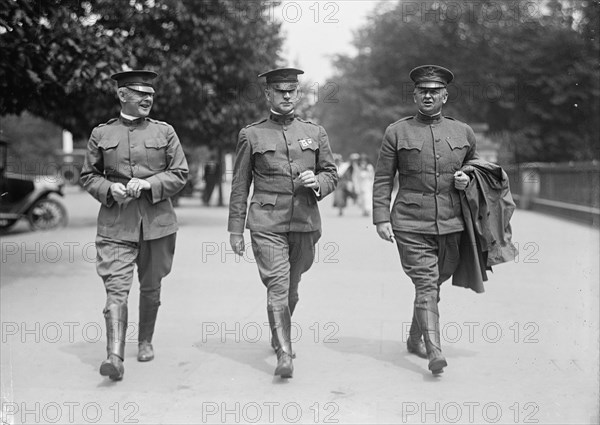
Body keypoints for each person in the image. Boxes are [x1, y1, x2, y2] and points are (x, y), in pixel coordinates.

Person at [228, 67, 338, 378]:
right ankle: (284, 352)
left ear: (298, 93)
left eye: (292, 90)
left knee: (292, 287)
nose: (287, 95)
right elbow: (240, 184)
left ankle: (280, 332)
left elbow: (332, 173)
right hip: (266, 222)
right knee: (277, 285)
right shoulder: (251, 134)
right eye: (280, 91)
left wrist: (316, 181)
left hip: (304, 222)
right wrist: (236, 229)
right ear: (268, 94)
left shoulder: (315, 133)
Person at [80, 70, 189, 381]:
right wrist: (108, 189)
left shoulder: (165, 132)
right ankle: (114, 356)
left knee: (151, 288)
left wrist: (150, 183)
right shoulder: (101, 134)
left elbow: (180, 173)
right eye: (140, 94)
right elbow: (88, 175)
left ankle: (144, 341)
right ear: (122, 95)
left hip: (158, 225)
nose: (147, 99)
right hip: (115, 225)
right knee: (116, 290)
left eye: (151, 95)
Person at [372, 65, 478, 376]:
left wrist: (466, 177)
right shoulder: (397, 131)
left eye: (434, 91)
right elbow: (382, 178)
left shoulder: (463, 132)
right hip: (409, 222)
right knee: (426, 283)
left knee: (435, 283)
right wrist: (381, 217)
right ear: (415, 95)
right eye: (422, 90)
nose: (428, 95)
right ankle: (435, 352)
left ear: (445, 96)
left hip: (451, 223)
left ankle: (414, 337)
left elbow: (476, 167)